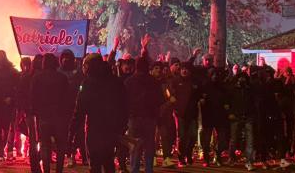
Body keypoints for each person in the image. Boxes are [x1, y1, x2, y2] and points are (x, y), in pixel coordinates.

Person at [70, 53, 126, 173]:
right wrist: (122, 126)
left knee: (95, 164)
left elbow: (80, 109)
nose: (83, 68)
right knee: (108, 161)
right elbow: (124, 106)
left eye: (85, 65)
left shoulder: (87, 83)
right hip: (112, 129)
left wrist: (72, 130)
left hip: (94, 130)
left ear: (90, 66)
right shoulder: (116, 81)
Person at [124, 34, 164, 173]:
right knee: (149, 146)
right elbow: (160, 99)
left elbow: (125, 99)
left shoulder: (129, 81)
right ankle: (148, 170)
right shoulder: (154, 82)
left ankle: (134, 169)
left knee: (135, 146)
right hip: (149, 118)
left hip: (134, 118)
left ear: (136, 67)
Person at [31, 53, 69, 173]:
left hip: (44, 116)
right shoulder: (62, 78)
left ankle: (46, 170)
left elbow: (33, 97)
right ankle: (59, 170)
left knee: (45, 145)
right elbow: (67, 98)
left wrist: (36, 112)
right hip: (59, 117)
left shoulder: (37, 77)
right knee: (60, 146)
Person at [58, 49, 87, 168]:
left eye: (68, 57)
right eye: (63, 57)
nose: (66, 59)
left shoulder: (79, 73)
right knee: (67, 134)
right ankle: (70, 156)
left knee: (80, 133)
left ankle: (84, 157)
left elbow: (83, 87)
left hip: (78, 107)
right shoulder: (58, 72)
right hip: (64, 109)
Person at [170, 64, 199, 167]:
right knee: (181, 137)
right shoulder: (175, 81)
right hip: (179, 113)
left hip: (192, 114)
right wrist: (172, 101)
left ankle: (188, 154)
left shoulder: (194, 82)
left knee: (193, 136)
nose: (184, 71)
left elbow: (197, 95)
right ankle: (181, 159)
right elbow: (169, 93)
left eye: (186, 69)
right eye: (182, 69)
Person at [226, 72, 255, 171]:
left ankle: (249, 162)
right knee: (233, 139)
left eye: (244, 78)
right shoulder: (233, 89)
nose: (242, 80)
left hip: (248, 117)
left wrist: (252, 114)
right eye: (240, 78)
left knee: (250, 141)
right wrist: (230, 113)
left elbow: (253, 103)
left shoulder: (249, 90)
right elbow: (227, 103)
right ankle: (231, 157)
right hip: (236, 117)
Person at [18, 54, 42, 173]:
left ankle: (35, 166)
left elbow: (21, 95)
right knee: (43, 139)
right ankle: (38, 160)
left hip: (30, 112)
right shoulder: (42, 78)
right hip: (42, 113)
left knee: (33, 140)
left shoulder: (26, 77)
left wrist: (23, 110)